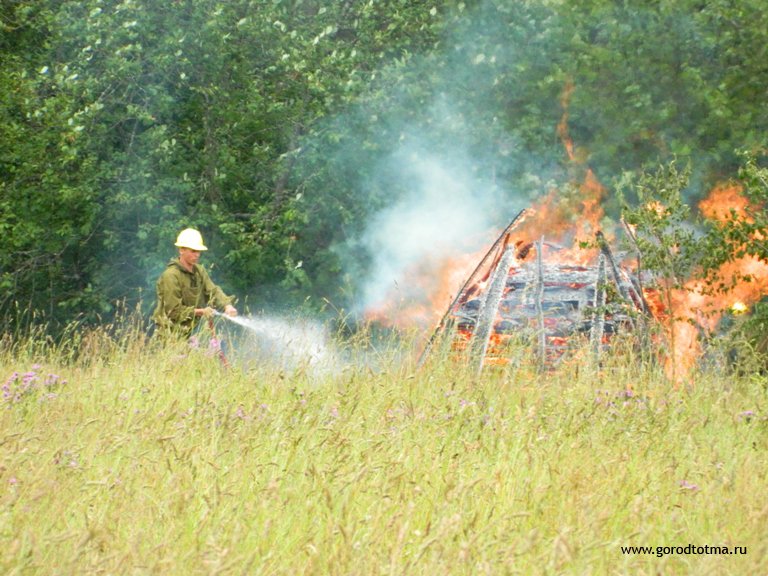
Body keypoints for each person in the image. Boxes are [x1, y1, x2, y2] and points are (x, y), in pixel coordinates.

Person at [152, 228, 238, 338]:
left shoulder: (199, 271)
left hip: (191, 332)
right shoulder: (171, 276)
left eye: (198, 251)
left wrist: (227, 305)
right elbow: (173, 312)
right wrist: (201, 311)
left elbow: (213, 290)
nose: (197, 255)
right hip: (170, 334)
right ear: (181, 250)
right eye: (193, 251)